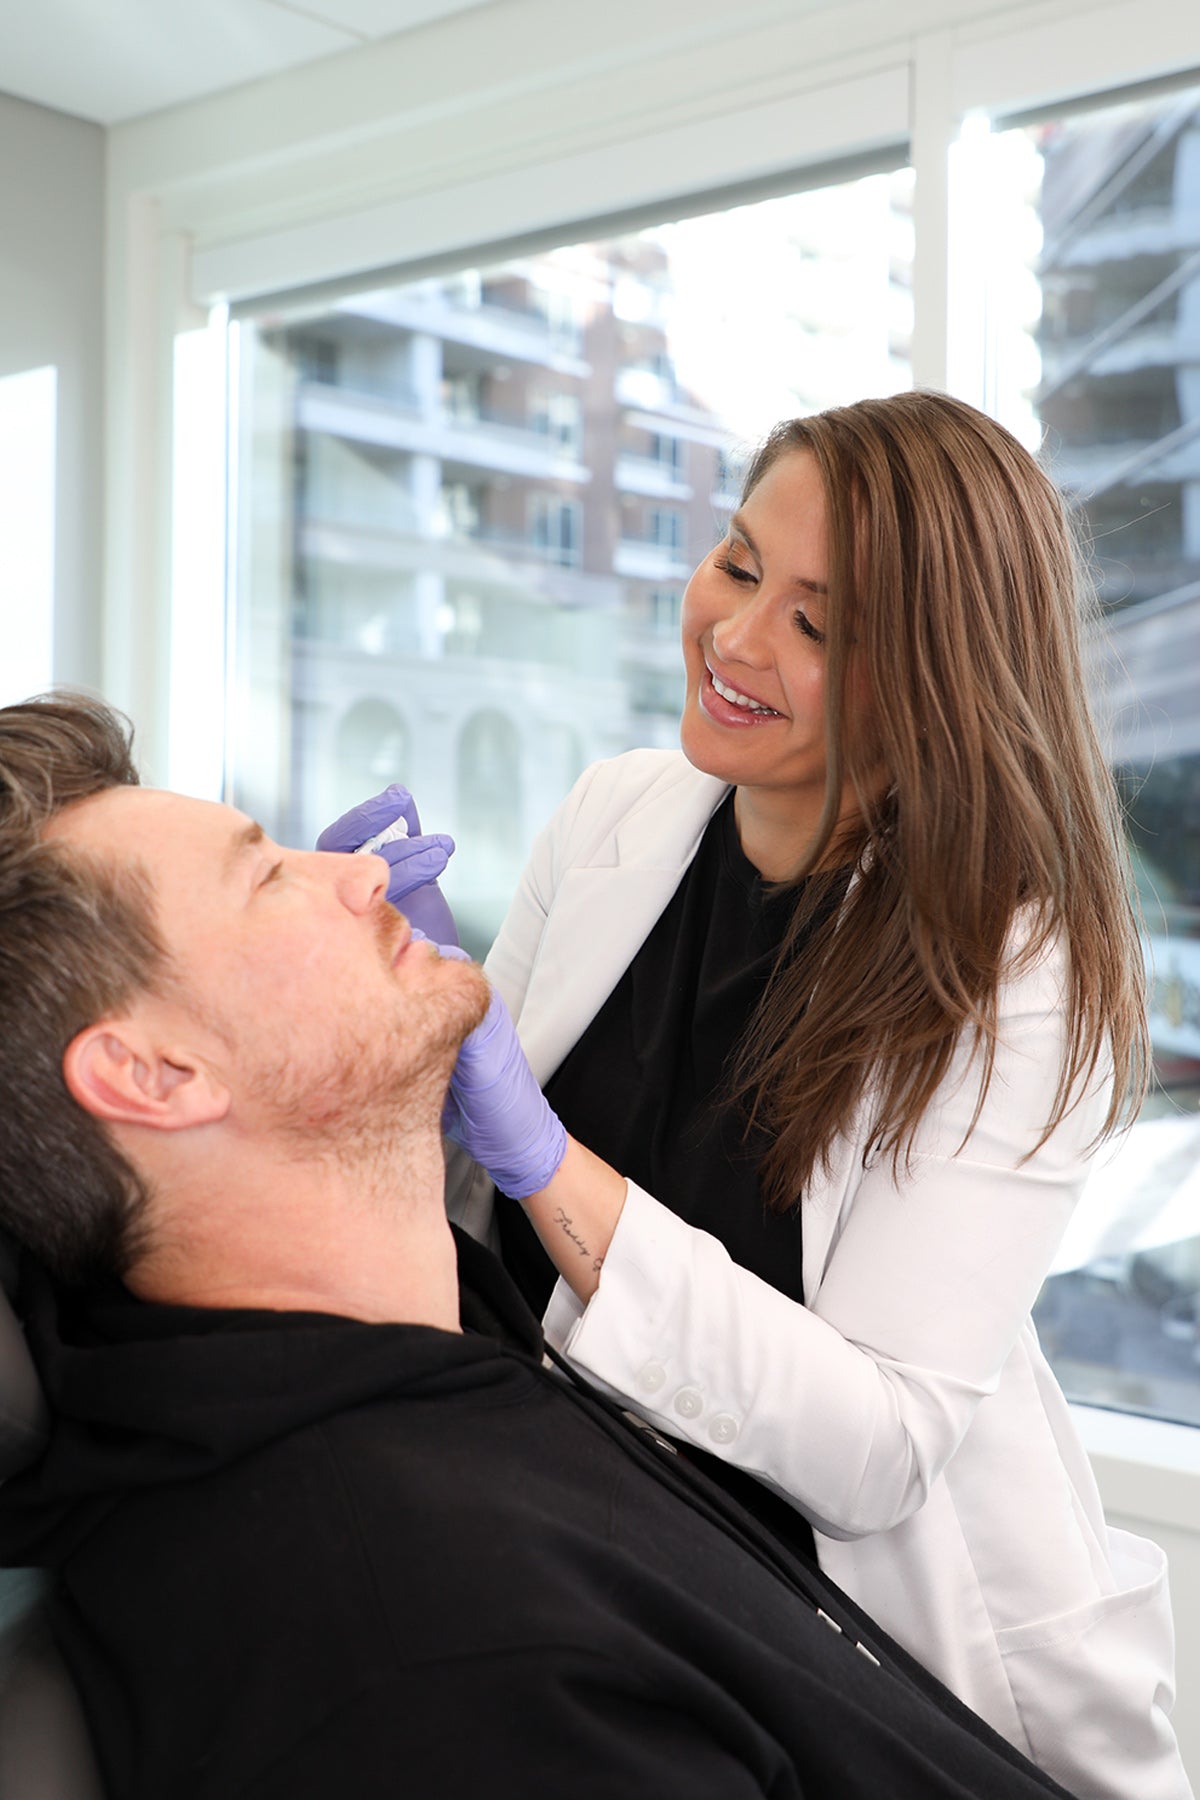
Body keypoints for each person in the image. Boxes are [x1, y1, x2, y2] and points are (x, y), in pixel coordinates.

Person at [326, 392, 1190, 1800]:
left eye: (818, 624)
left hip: (868, 1643)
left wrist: (547, 1160)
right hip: (608, 1558)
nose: (734, 642)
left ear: (935, 677)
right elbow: (470, 1210)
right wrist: (392, 1034)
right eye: (737, 566)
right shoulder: (615, 814)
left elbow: (878, 1450)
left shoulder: (1006, 965)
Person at [0, 693, 1088, 1800]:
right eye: (268, 875)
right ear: (154, 1076)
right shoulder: (442, 1656)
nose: (361, 873)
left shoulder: (434, 1351)